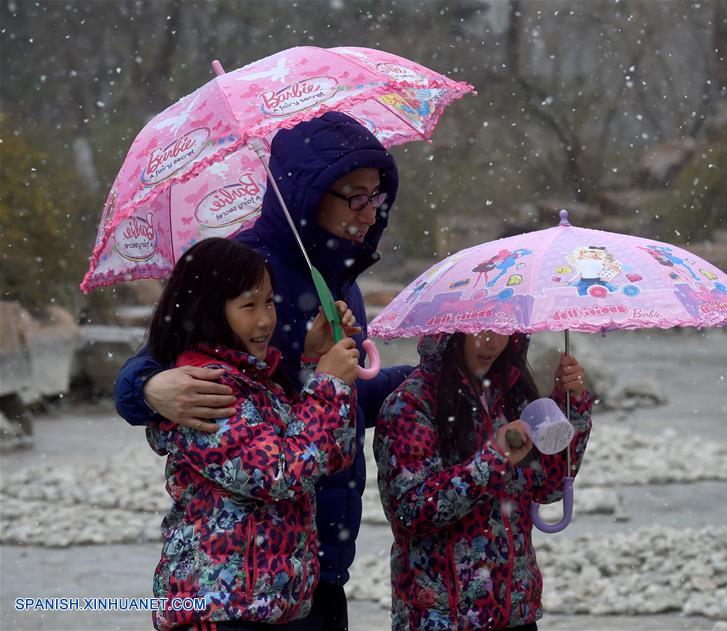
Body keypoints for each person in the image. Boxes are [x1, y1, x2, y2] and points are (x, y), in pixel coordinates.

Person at [115, 112, 412, 630]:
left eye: (377, 198)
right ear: (310, 191)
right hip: (241, 583)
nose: (369, 213)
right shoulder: (242, 269)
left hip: (313, 562)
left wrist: (422, 380)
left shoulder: (342, 283)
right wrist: (147, 387)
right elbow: (160, 365)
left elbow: (335, 404)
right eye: (355, 197)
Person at [145, 237, 361, 630]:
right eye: (249, 305)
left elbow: (333, 455)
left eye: (268, 302)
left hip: (268, 607)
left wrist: (315, 364)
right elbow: (278, 474)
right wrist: (328, 385)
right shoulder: (202, 389)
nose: (265, 320)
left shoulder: (259, 382)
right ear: (209, 310)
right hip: (220, 612)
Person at [374, 331, 593, 630]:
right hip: (442, 617)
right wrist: (495, 459)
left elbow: (549, 487)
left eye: (502, 330)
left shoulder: (511, 392)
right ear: (451, 333)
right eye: (481, 331)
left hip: (514, 612)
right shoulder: (410, 405)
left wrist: (572, 405)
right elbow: (411, 512)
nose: (492, 343)